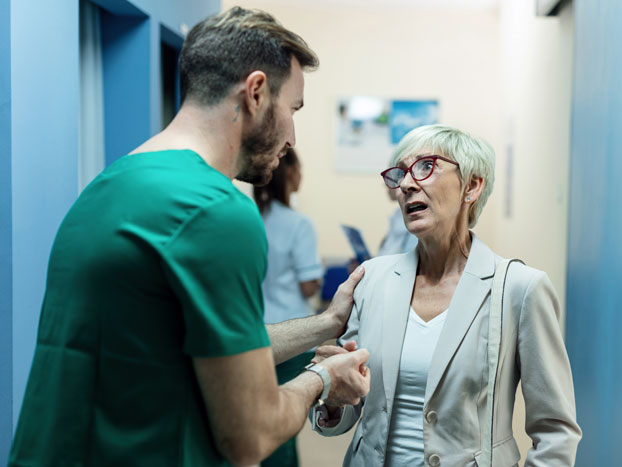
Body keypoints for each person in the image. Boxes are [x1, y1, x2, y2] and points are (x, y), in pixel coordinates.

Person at [9, 7, 370, 467]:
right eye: (293, 109)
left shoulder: (109, 187)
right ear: (256, 92)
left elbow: (201, 346)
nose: (292, 136)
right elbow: (251, 436)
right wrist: (322, 377)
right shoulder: (213, 210)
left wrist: (325, 324)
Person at [311, 124, 581, 466]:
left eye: (426, 166)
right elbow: (349, 407)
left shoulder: (519, 288)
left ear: (471, 185)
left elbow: (556, 430)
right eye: (400, 173)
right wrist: (334, 400)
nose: (407, 184)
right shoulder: (372, 279)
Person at [253, 147, 323, 467]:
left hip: (257, 332)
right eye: (299, 169)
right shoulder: (298, 224)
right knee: (284, 424)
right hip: (293, 335)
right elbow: (309, 285)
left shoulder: (248, 218)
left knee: (259, 419)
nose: (302, 175)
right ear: (288, 173)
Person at [377, 185, 418, 256]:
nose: (386, 186)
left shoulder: (414, 216)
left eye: (390, 182)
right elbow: (386, 249)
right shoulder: (397, 214)